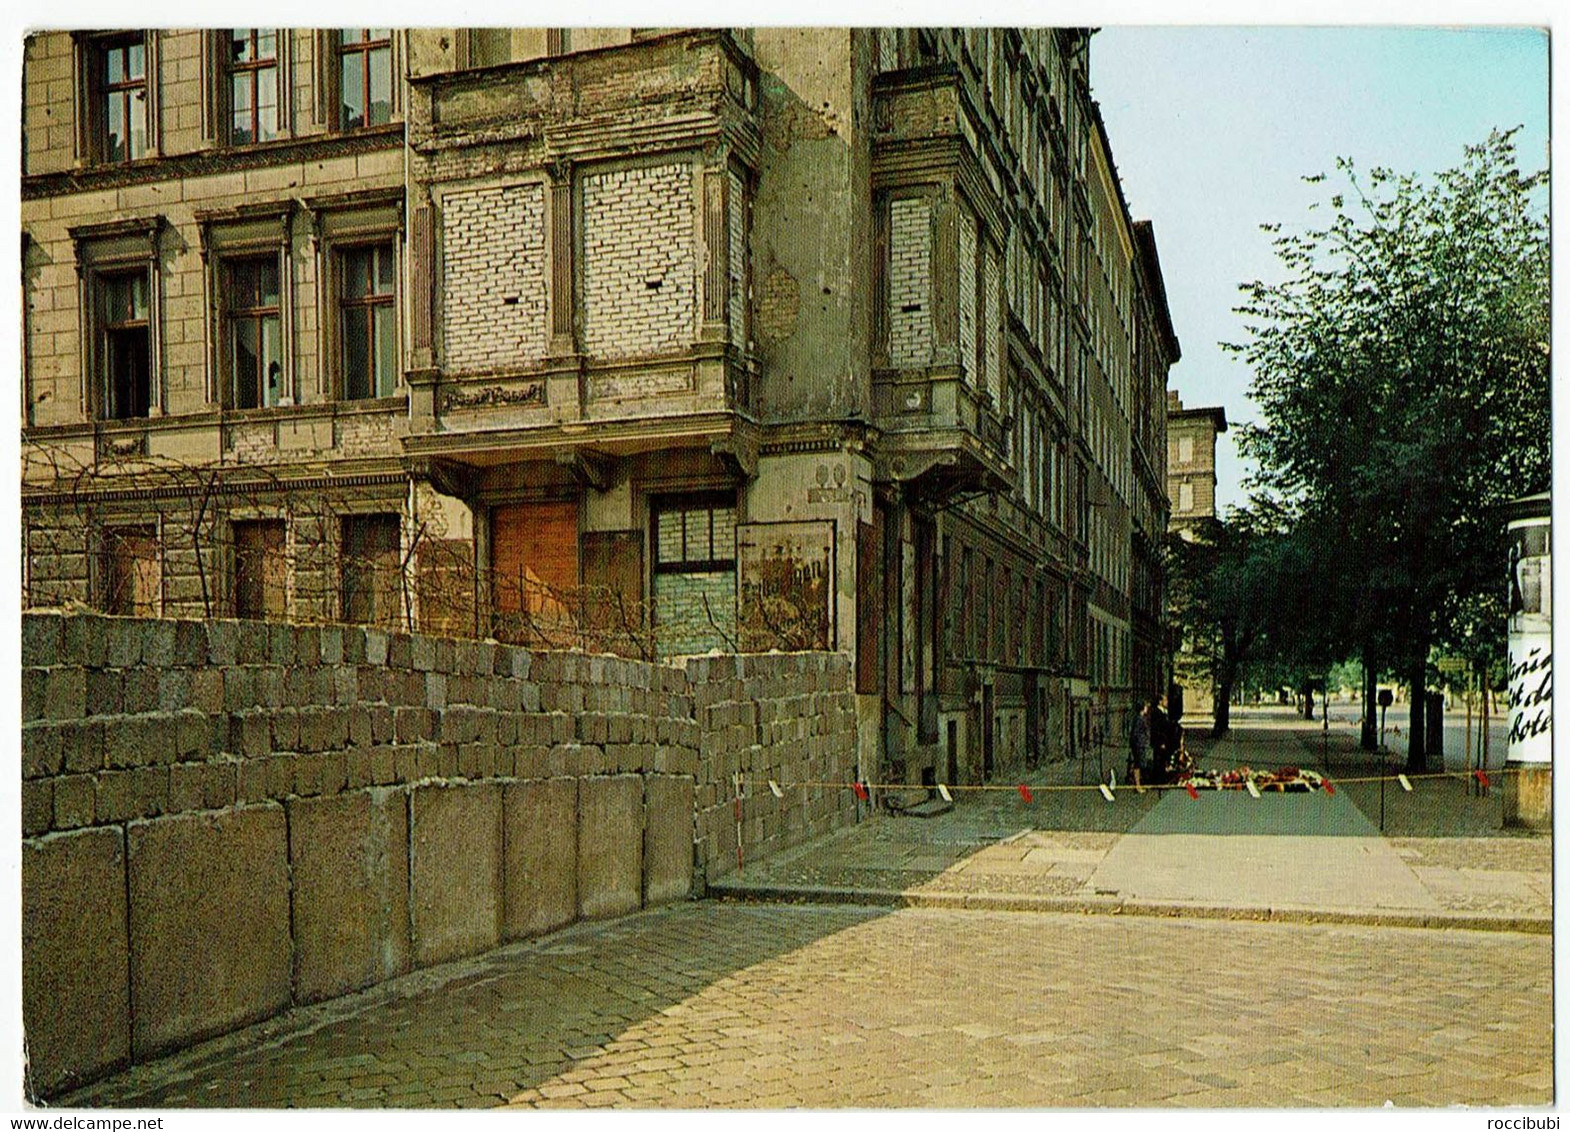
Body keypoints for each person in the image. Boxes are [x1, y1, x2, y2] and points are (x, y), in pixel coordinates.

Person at [1128, 701, 1152, 791]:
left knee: (1139, 764)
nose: (1147, 708)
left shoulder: (1140, 718)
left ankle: (1139, 783)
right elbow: (1136, 733)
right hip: (1138, 745)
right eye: (1145, 706)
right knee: (1138, 764)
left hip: (1139, 744)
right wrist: (1139, 743)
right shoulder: (1139, 719)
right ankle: (1137, 785)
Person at [1149, 694, 1173, 784]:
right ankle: (1158, 779)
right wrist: (1161, 742)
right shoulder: (1156, 712)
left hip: (1164, 739)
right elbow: (1157, 728)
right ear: (1160, 702)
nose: (1167, 702)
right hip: (1159, 740)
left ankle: (1162, 777)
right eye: (1165, 700)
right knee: (1158, 759)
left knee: (1162, 759)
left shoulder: (1163, 711)